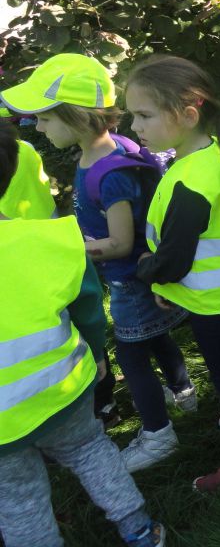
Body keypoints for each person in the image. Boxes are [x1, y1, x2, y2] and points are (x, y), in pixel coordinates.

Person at [1, 53, 194, 473]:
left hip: (127, 280)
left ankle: (159, 434)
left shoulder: (108, 173)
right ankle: (183, 390)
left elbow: (122, 242)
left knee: (130, 355)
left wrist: (70, 243)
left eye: (46, 119)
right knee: (155, 337)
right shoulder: (110, 152)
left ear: (76, 117)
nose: (37, 127)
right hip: (136, 280)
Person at [0, 120, 166, 547]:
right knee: (91, 451)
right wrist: (97, 354)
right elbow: (90, 307)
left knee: (19, 498)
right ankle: (141, 530)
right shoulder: (51, 238)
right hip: (63, 385)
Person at [126, 55, 220, 491]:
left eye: (144, 115)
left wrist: (148, 271)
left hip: (213, 307)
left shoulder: (190, 182)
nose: (134, 127)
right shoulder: (215, 153)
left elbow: (174, 260)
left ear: (187, 115)